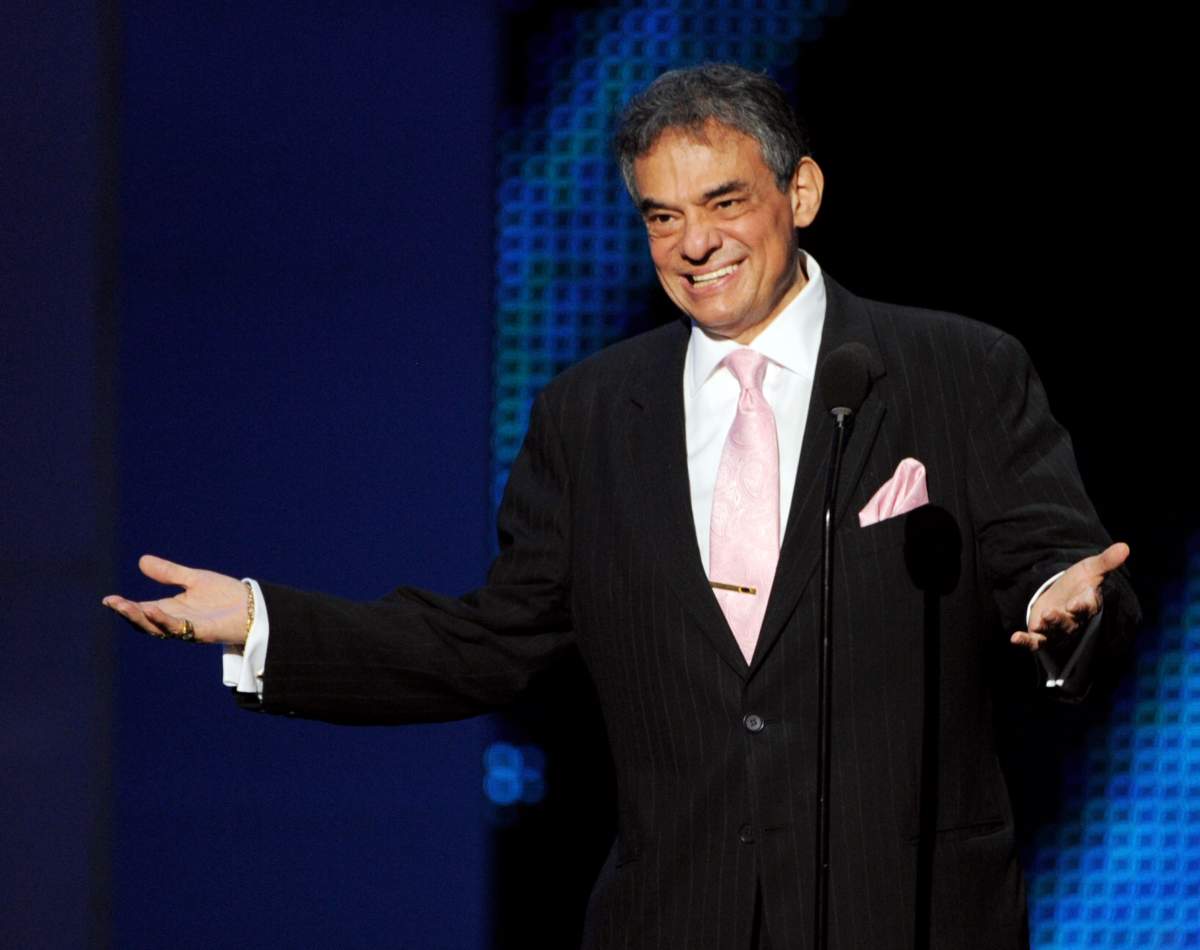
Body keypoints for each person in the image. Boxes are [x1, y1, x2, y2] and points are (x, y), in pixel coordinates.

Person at [103, 63, 1138, 949]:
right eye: (662, 215)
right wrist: (265, 622)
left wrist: (1064, 606)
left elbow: (1054, 560)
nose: (695, 243)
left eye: (725, 202)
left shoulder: (957, 369)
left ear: (802, 192)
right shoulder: (592, 413)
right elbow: (492, 641)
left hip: (908, 913)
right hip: (677, 913)